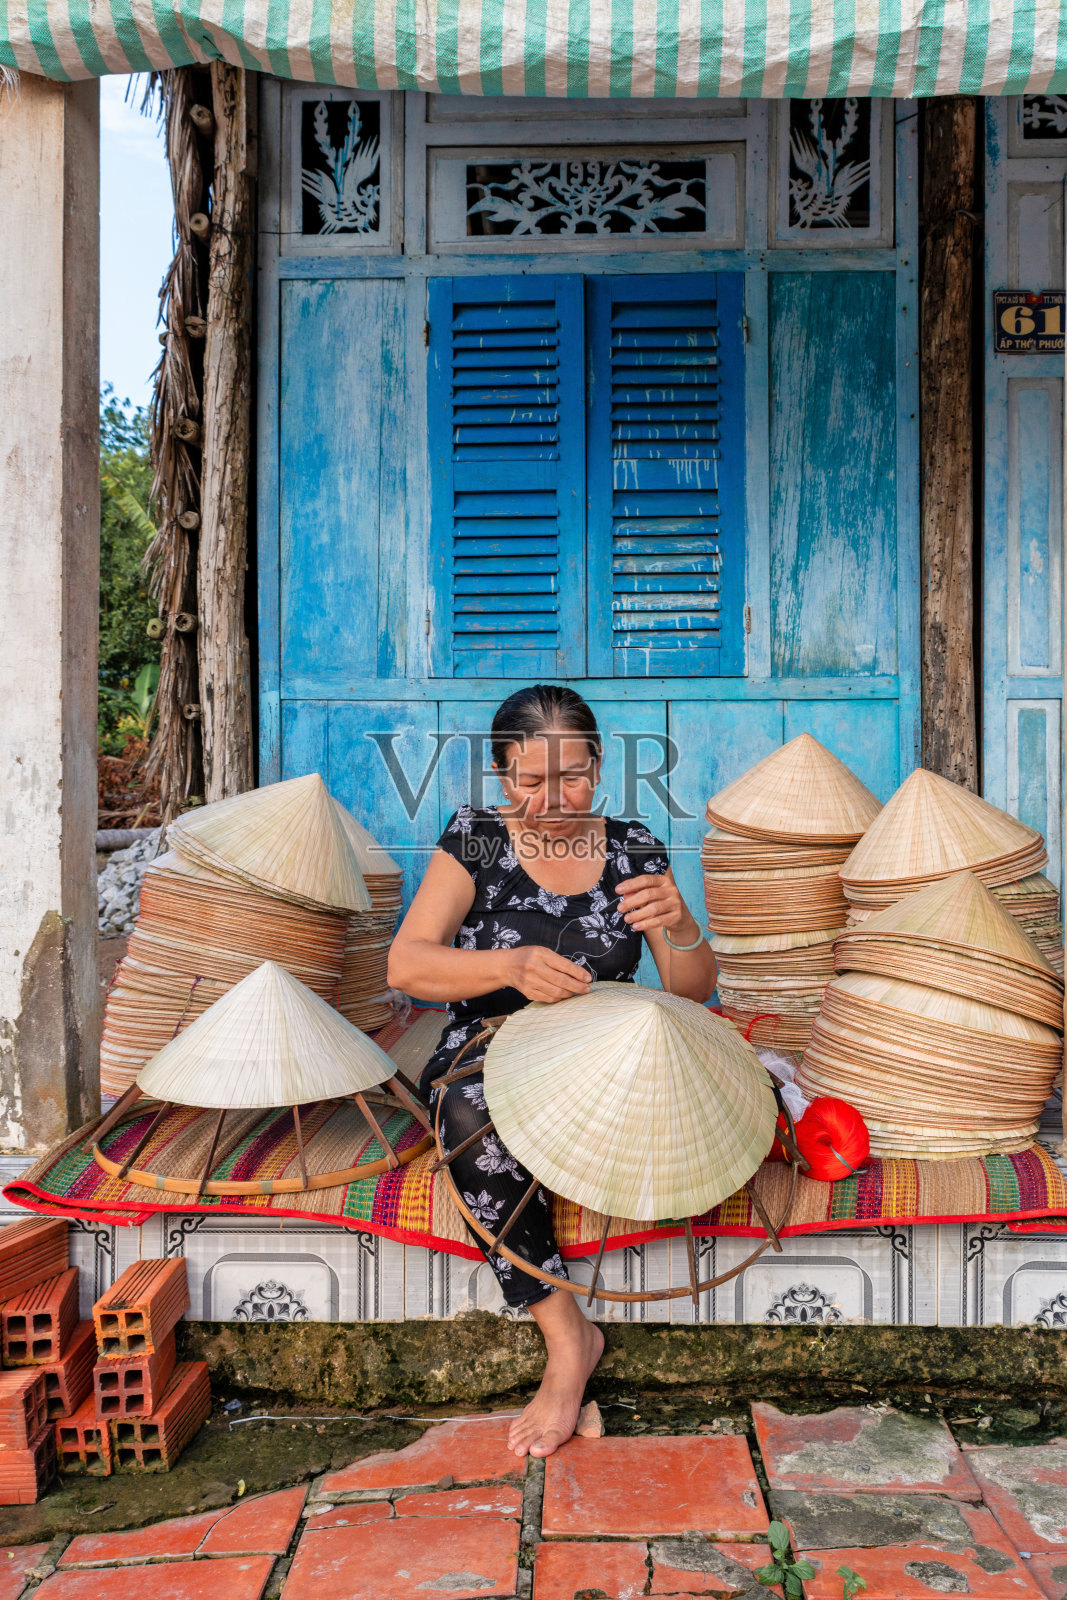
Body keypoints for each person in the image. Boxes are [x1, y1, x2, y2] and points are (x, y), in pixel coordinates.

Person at [387, 685, 716, 1459]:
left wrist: (681, 921)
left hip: (612, 1050)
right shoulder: (476, 840)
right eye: (528, 782)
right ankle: (569, 1341)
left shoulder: (633, 846)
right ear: (501, 778)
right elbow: (406, 963)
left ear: (598, 766)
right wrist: (507, 963)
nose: (551, 801)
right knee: (467, 1119)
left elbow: (690, 992)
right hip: (493, 1047)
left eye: (571, 779)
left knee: (714, 1106)